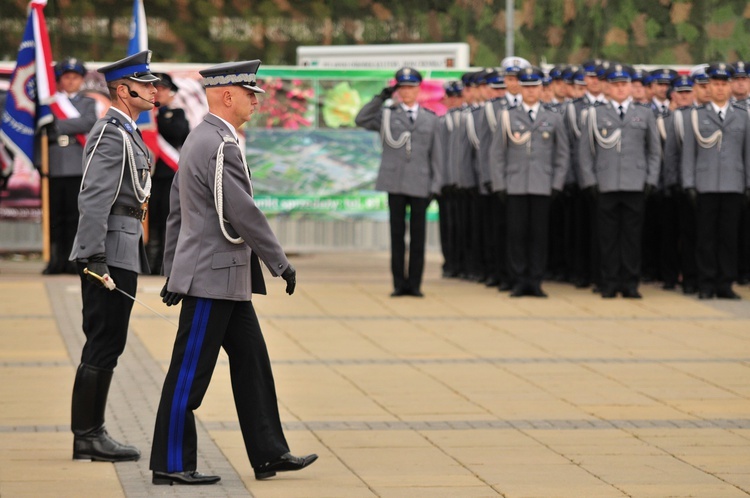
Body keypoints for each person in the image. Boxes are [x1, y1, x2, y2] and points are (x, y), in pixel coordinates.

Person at [150, 60, 316, 485]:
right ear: (227, 95)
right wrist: (279, 261)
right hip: (212, 276)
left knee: (252, 365)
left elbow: (177, 212)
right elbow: (242, 212)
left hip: (222, 275)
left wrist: (172, 269)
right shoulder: (218, 143)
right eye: (250, 93)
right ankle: (171, 464)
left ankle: (269, 453)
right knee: (189, 374)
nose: (256, 101)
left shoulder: (202, 137)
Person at [68, 50, 159, 462]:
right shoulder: (111, 133)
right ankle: (88, 434)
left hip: (124, 248)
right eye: (146, 83)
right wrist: (93, 256)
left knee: (109, 341)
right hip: (109, 252)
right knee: (104, 340)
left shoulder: (128, 132)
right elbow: (93, 197)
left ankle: (90, 432)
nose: (154, 89)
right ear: (124, 90)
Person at [355, 67, 440, 297]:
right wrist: (380, 98)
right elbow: (361, 119)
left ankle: (415, 285)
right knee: (397, 236)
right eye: (402, 87)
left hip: (421, 182)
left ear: (418, 89)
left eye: (411, 87)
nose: (406, 92)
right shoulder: (387, 114)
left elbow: (437, 155)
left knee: (419, 237)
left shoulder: (431, 119)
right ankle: (398, 284)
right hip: (395, 182)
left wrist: (436, 185)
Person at [579, 64, 661, 299]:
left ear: (630, 87)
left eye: (624, 84)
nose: (620, 89)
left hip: (635, 183)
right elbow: (585, 152)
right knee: (607, 237)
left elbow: (654, 151)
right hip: (606, 183)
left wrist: (651, 179)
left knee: (632, 237)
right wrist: (590, 181)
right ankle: (609, 282)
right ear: (608, 88)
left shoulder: (644, 113)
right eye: (615, 85)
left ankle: (630, 283)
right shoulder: (595, 114)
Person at [491, 66, 570, 297]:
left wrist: (556, 183)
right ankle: (518, 280)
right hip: (515, 184)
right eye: (526, 87)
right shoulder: (507, 116)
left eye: (535, 87)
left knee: (538, 235)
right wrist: (500, 184)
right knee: (516, 234)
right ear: (521, 89)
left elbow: (562, 153)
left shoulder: (552, 117)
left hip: (542, 184)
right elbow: (497, 154)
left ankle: (535, 280)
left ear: (541, 88)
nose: (531, 91)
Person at [681, 62, 750, 300]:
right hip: (705, 184)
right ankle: (706, 283)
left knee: (728, 237)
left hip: (733, 184)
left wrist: (747, 183)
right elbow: (689, 153)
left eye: (724, 84)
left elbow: (747, 153)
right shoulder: (696, 116)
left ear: (730, 87)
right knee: (706, 237)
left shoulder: (742, 116)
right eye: (715, 84)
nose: (720, 89)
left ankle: (725, 283)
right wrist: (689, 183)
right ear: (708, 87)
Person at [42, 57, 97, 274]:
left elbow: (89, 122)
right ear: (60, 80)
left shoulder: (88, 102)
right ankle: (56, 260)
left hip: (78, 163)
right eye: (66, 77)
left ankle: (75, 260)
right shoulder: (49, 103)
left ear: (82, 80)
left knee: (76, 215)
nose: (71, 81)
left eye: (75, 77)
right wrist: (68, 126)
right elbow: (44, 129)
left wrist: (58, 125)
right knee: (56, 216)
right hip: (54, 162)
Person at [146, 72, 190, 275]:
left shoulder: (177, 114)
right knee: (149, 220)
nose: (158, 93)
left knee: (166, 220)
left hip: (168, 175)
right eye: (155, 88)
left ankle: (164, 264)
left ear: (171, 93)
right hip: (148, 175)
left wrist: (157, 117)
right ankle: (148, 262)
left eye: (162, 89)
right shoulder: (144, 116)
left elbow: (179, 133)